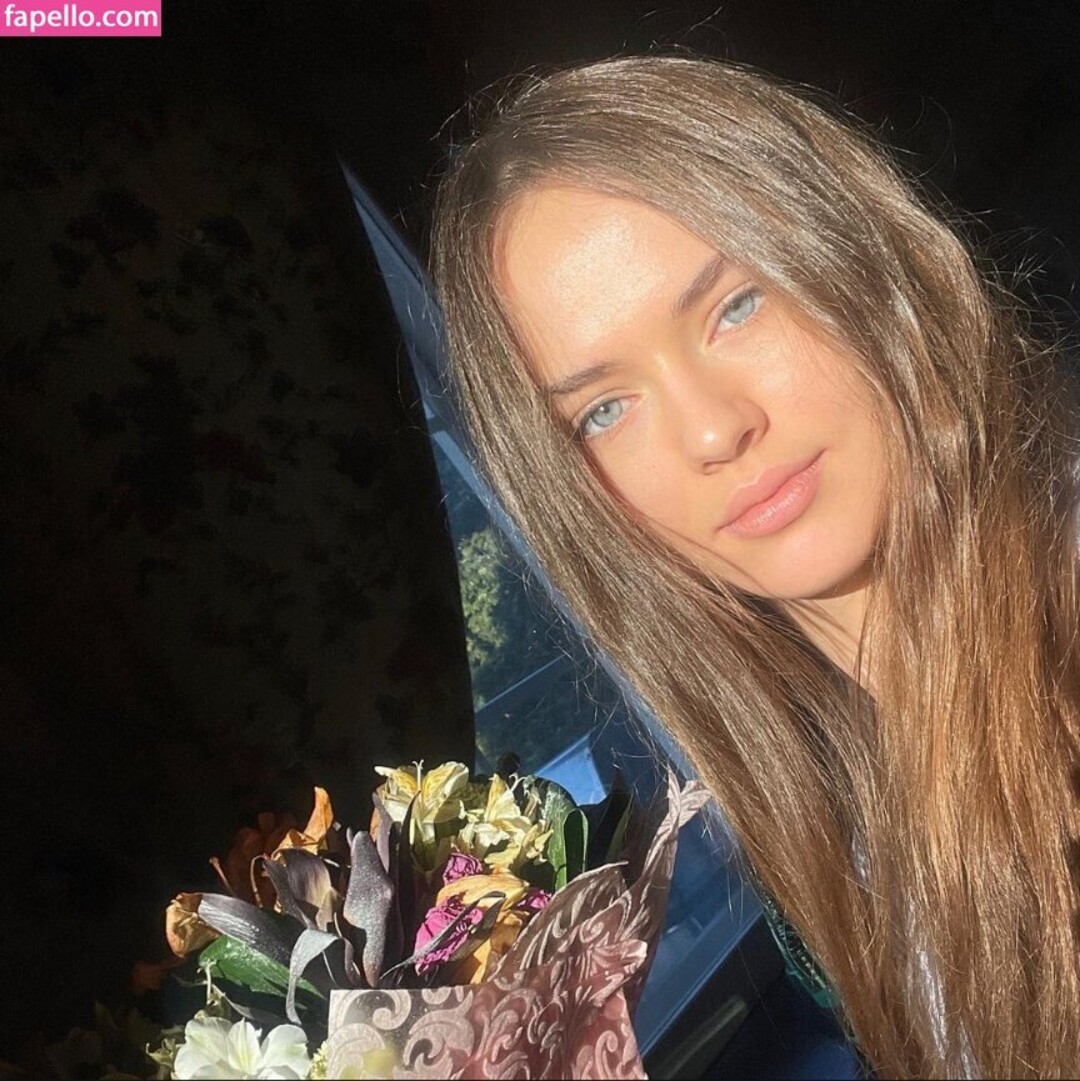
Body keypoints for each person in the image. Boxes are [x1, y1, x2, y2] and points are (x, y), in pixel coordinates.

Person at [428, 54, 1080, 1079]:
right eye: (605, 409)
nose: (712, 430)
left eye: (735, 307)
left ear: (861, 260)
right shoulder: (824, 802)